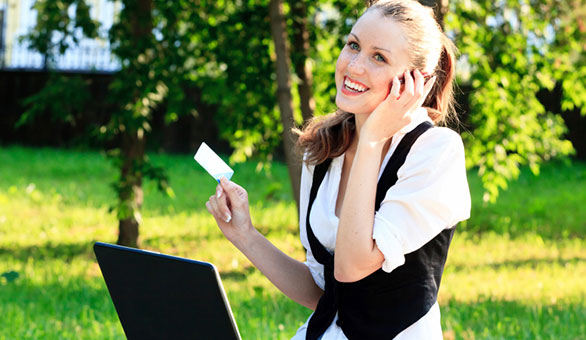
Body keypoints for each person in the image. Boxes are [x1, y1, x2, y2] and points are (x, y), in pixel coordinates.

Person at [205, 0, 471, 338]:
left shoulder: (434, 153)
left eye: (379, 57)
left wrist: (373, 138)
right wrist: (245, 235)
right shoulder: (325, 148)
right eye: (353, 45)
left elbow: (352, 267)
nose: (354, 66)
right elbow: (325, 293)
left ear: (417, 82)